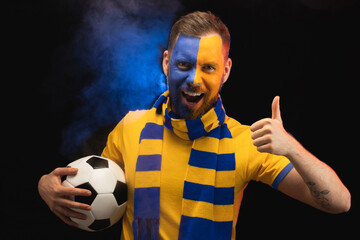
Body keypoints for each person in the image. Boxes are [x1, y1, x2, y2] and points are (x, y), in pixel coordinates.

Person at [38, 11, 351, 240]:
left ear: (225, 71)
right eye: (184, 65)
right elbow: (93, 188)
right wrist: (45, 186)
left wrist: (291, 148)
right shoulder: (131, 127)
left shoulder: (246, 142)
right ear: (166, 63)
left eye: (208, 68)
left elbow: (339, 203)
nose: (194, 79)